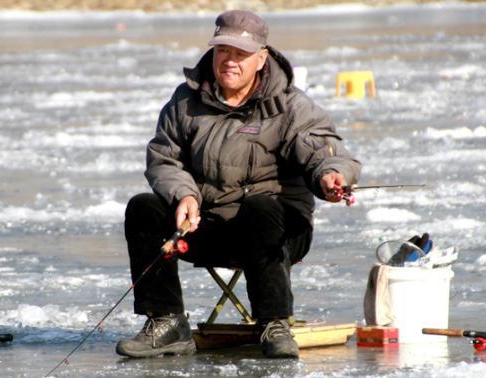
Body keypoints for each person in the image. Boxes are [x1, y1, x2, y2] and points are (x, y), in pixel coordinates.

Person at [116, 9, 361, 359]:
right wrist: (185, 194)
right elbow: (163, 158)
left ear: (261, 59)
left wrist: (330, 175)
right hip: (208, 227)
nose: (230, 61)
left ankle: (274, 322)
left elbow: (323, 151)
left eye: (241, 54)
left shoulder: (290, 107)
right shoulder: (186, 102)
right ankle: (167, 322)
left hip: (276, 233)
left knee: (260, 207)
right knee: (144, 208)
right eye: (223, 52)